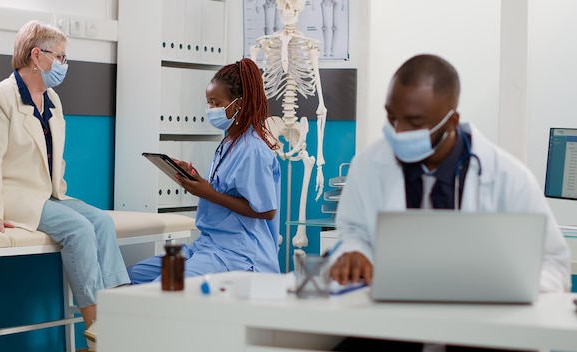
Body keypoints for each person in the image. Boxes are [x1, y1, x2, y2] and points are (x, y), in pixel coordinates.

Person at [328, 54, 571, 351]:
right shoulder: (368, 164)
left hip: (483, 332)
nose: (398, 131)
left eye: (414, 122)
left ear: (451, 120)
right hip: (391, 327)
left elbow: (555, 265)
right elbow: (354, 232)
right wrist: (355, 253)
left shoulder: (508, 176)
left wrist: (501, 284)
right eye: (392, 117)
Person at [0, 20, 130, 351]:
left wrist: (58, 191)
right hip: (14, 196)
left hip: (48, 194)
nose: (65, 65)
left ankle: (121, 316)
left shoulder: (51, 100)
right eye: (61, 57)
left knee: (102, 222)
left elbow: (53, 159)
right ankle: (98, 334)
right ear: (37, 56)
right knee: (78, 230)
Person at [127, 58, 281, 283]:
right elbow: (223, 188)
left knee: (165, 286)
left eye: (216, 103)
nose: (210, 110)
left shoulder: (253, 150)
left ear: (237, 104)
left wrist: (207, 193)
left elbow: (266, 211)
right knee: (132, 277)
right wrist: (195, 178)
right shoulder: (229, 142)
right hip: (206, 246)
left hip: (239, 253)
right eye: (208, 103)